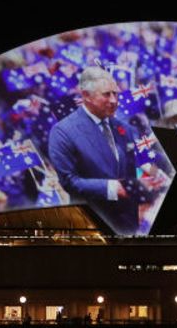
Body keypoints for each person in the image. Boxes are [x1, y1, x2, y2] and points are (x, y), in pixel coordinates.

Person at [47, 66, 141, 234]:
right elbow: (69, 181)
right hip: (92, 225)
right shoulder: (63, 131)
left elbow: (132, 170)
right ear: (85, 96)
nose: (114, 100)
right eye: (107, 94)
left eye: (116, 93)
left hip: (129, 224)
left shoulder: (123, 128)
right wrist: (112, 188)